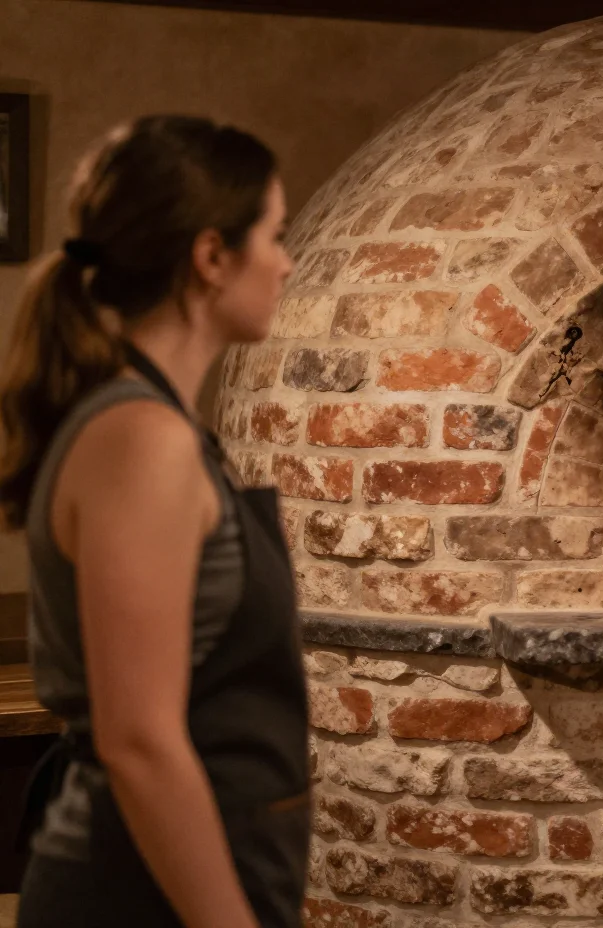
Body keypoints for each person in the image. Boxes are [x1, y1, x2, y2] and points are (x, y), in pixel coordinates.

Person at [0, 116, 306, 927]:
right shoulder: (143, 442)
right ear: (211, 257)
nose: (286, 262)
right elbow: (139, 742)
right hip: (133, 892)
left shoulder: (157, 427)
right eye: (274, 235)